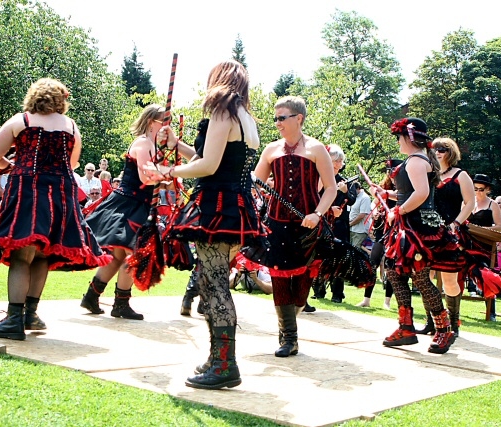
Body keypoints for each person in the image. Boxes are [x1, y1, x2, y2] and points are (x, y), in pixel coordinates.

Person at [146, 60, 264, 390]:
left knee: (215, 285)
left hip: (218, 206)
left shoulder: (222, 112)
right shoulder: (244, 117)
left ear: (220, 80)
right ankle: (217, 358)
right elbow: (211, 157)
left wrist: (168, 172)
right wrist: (176, 148)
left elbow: (209, 166)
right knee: (213, 284)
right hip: (233, 206)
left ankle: (225, 364)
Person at [0, 78, 111, 341]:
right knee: (44, 253)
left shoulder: (21, 121)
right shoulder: (71, 126)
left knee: (23, 255)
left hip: (27, 189)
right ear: (61, 100)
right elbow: (74, 161)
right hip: (61, 191)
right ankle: (31, 314)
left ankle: (13, 320)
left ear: (33, 97)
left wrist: (14, 165)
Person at [253, 95, 337, 359]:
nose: (277, 123)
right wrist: (258, 187)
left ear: (298, 118)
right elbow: (256, 181)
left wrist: (317, 213)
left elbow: (331, 188)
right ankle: (289, 337)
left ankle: (289, 327)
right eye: (275, 118)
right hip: (276, 223)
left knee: (302, 281)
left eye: (282, 118)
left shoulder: (316, 149)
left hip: (307, 224)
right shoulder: (270, 150)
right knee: (279, 276)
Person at [80, 104, 177, 321]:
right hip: (128, 204)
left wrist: (168, 178)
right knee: (132, 253)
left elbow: (155, 182)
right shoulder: (143, 143)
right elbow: (145, 178)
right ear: (153, 121)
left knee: (118, 255)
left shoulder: (154, 146)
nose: (166, 126)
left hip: (138, 204)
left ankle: (92, 296)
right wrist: (166, 174)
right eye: (164, 121)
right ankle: (120, 304)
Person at [370, 117, 455, 354]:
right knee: (395, 274)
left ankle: (444, 329)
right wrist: (387, 194)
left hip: (416, 229)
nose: (397, 142)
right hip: (409, 228)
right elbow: (410, 194)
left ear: (408, 137)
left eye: (399, 137)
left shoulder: (416, 162)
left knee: (420, 278)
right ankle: (406, 327)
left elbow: (421, 193)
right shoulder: (417, 160)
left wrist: (397, 210)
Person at [415, 137, 475, 337]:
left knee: (449, 280)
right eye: (434, 149)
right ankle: (433, 322)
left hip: (450, 233)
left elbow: (469, 203)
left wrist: (456, 224)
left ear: (451, 152)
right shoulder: (428, 174)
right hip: (428, 232)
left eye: (443, 149)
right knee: (424, 278)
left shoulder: (461, 175)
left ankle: (454, 323)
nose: (438, 152)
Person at [312, 144, 356, 303]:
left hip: (340, 225)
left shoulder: (344, 181)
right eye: (335, 161)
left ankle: (337, 293)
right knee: (320, 256)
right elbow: (314, 199)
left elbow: (352, 199)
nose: (338, 165)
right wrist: (329, 208)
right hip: (323, 222)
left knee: (340, 258)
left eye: (340, 162)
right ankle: (318, 290)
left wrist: (344, 190)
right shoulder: (319, 178)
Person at [356, 159, 400, 309]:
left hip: (396, 229)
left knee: (391, 266)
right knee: (373, 262)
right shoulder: (384, 187)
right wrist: (375, 212)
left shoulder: (404, 188)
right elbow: (374, 203)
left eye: (393, 171)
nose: (390, 174)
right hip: (382, 229)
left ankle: (387, 301)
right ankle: (366, 299)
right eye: (389, 171)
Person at [467, 173, 501, 320]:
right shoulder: (468, 202)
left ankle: (491, 311)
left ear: (487, 189)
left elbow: (500, 226)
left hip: (484, 245)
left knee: (485, 275)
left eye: (481, 189)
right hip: (467, 242)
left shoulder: (492, 204)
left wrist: (485, 230)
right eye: (475, 189)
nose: (477, 192)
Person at [349, 182, 372, 249]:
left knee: (356, 252)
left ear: (358, 188)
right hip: (352, 230)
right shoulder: (354, 198)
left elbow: (362, 215)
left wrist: (350, 224)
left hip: (360, 231)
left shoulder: (365, 198)